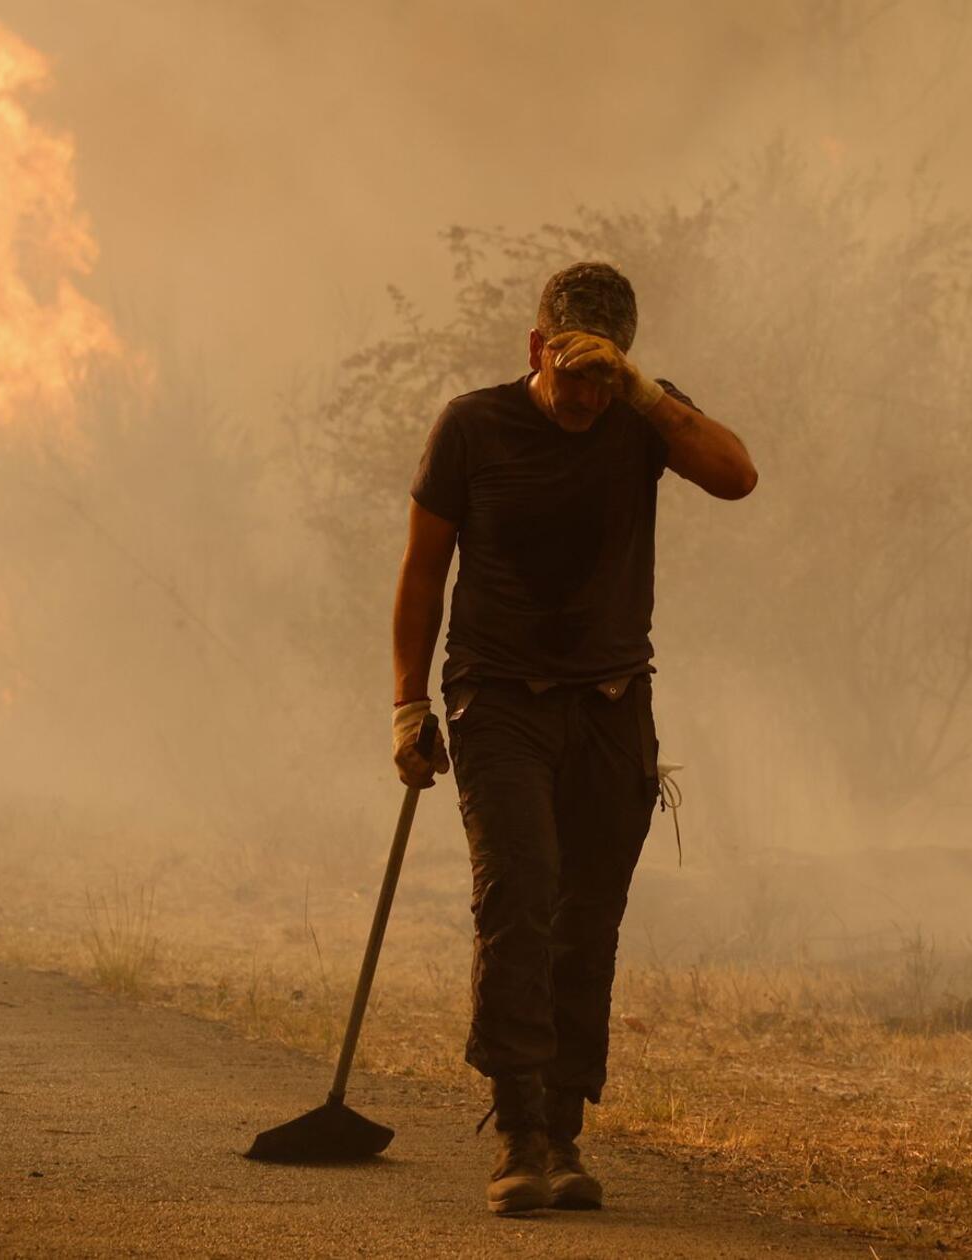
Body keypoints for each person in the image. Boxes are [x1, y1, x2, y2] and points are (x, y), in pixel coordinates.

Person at [389, 261, 758, 1214]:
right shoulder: (472, 426)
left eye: (607, 375)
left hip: (610, 705)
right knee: (521, 898)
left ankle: (563, 1129)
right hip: (497, 699)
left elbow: (738, 477)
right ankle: (518, 1133)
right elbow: (423, 575)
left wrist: (644, 392)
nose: (588, 395)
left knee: (588, 918)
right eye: (574, 371)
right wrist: (406, 707)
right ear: (534, 349)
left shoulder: (643, 417)